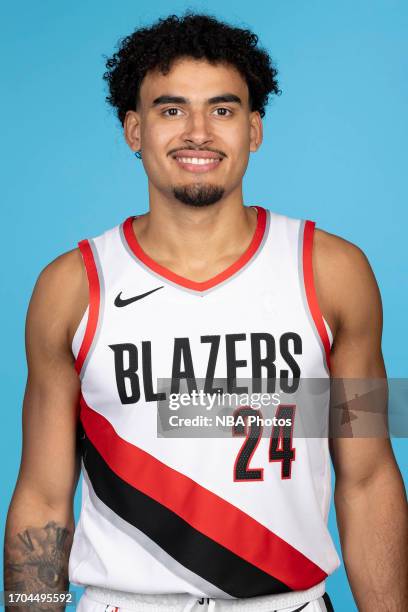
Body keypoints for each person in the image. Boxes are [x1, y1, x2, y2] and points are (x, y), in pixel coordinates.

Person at [4, 12, 407, 612]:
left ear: (255, 129)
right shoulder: (70, 288)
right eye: (171, 110)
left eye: (222, 109)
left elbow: (369, 474)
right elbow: (41, 495)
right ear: (133, 130)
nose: (198, 132)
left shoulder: (335, 272)